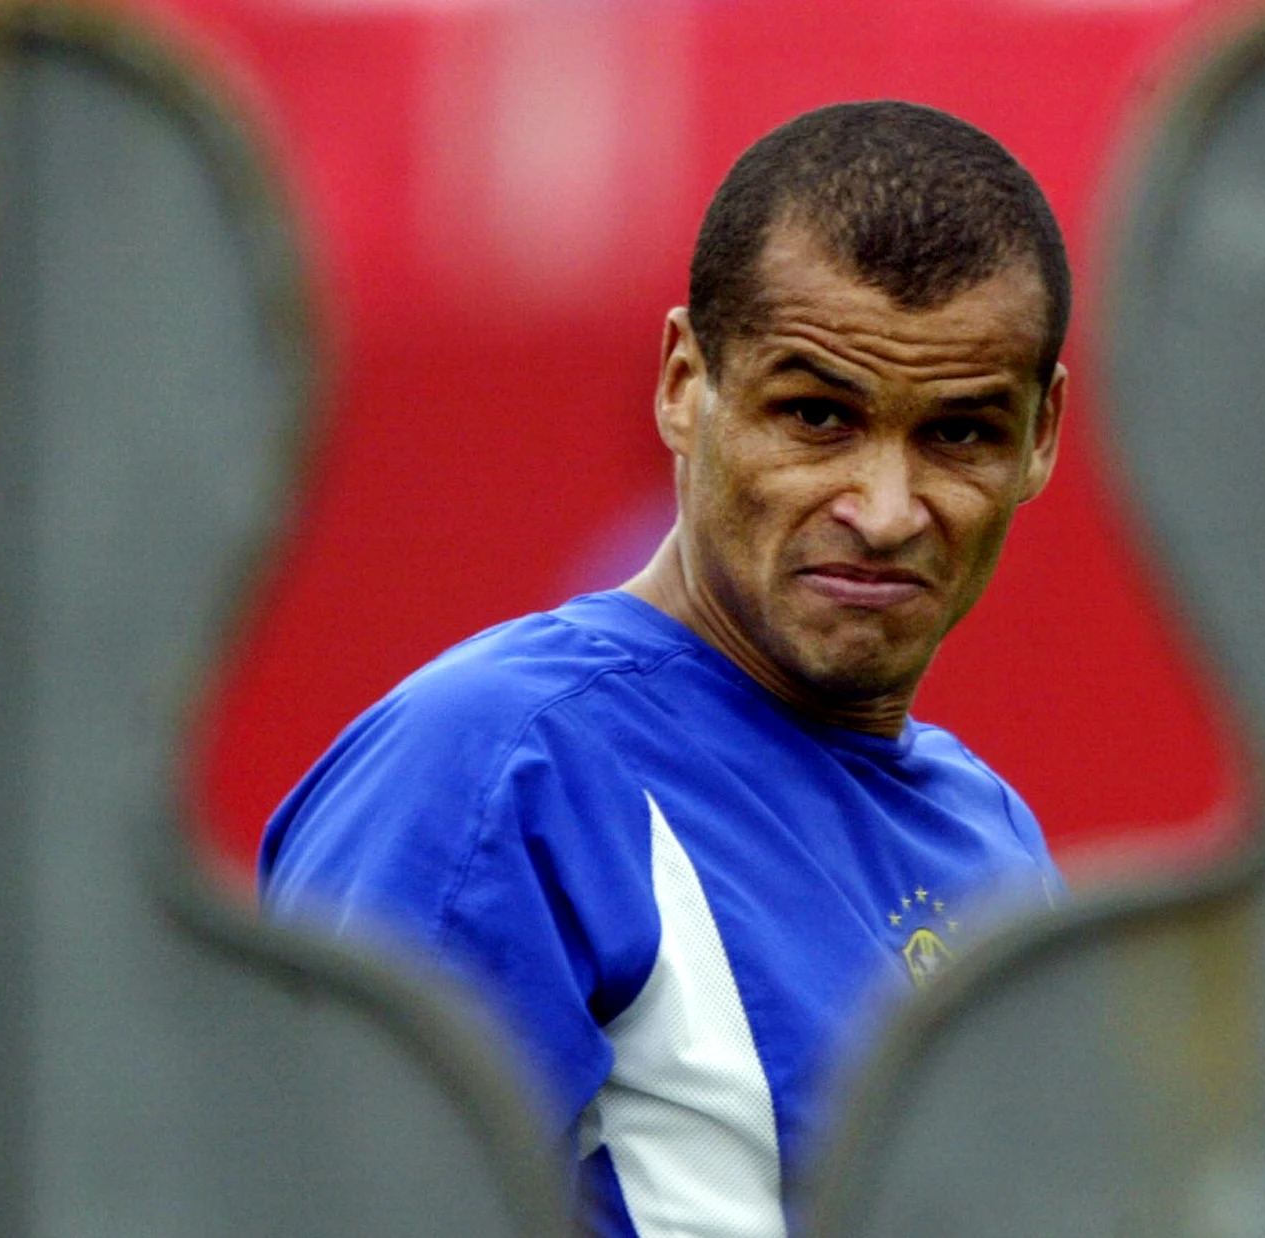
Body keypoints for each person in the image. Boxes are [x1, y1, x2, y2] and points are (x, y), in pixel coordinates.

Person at [261, 100, 1071, 1237]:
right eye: (817, 415)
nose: (887, 511)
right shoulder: (496, 769)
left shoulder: (993, 835)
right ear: (686, 382)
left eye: (958, 433)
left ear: (1042, 434)